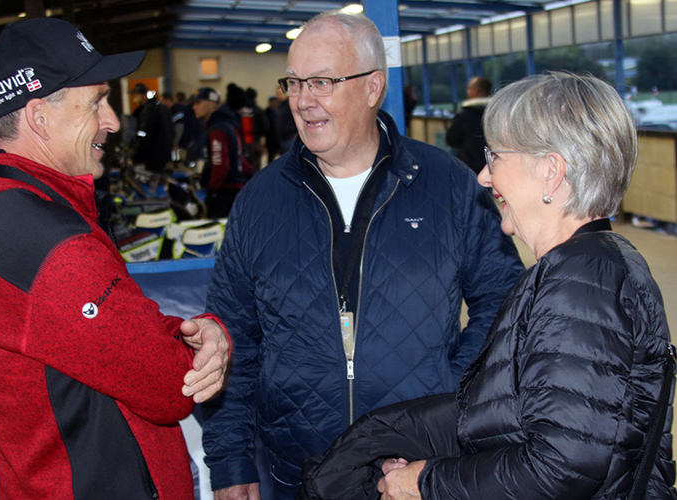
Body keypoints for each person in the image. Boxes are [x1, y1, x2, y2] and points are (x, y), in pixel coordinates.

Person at [299, 73, 677, 500]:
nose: (482, 176)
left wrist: (424, 482)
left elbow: (563, 466)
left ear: (551, 172)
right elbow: (522, 420)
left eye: (495, 157)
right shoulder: (586, 266)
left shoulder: (582, 283)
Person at [201, 11, 524, 500]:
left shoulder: (449, 185)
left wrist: (445, 410)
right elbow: (230, 340)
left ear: (373, 87)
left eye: (323, 82)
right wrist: (229, 462)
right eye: (294, 83)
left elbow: (504, 306)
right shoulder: (260, 202)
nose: (303, 100)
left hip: (418, 469)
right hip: (298, 467)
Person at [0, 18, 231, 500]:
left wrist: (186, 331)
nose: (112, 119)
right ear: (39, 116)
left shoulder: (9, 214)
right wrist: (206, 338)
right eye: (96, 102)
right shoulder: (53, 244)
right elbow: (171, 386)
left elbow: (97, 339)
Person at [194, 86, 251, 218]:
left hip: (225, 192)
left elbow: (220, 164)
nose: (194, 107)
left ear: (211, 104)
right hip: (235, 188)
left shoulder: (218, 129)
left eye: (198, 103)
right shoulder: (229, 123)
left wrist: (213, 190)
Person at [445, 76, 492, 175]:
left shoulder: (464, 114)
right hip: (493, 166)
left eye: (470, 88)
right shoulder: (496, 112)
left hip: (470, 167)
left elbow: (451, 139)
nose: (468, 92)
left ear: (477, 92)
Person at [130, 82, 175, 183]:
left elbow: (144, 134)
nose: (134, 100)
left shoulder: (148, 110)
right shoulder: (162, 108)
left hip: (153, 156)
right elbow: (172, 131)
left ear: (142, 95)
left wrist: (136, 156)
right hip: (164, 155)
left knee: (152, 184)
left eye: (135, 96)